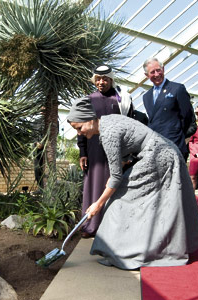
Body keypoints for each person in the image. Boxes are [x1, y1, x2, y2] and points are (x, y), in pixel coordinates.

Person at [67, 97, 198, 269]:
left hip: (157, 155)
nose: (79, 133)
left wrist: (97, 204)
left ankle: (127, 251)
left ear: (89, 119)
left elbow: (116, 177)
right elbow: (122, 163)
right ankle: (142, 247)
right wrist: (113, 180)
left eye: (79, 128)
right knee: (138, 198)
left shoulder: (108, 134)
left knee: (121, 198)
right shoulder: (108, 120)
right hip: (166, 151)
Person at [77, 65, 134, 238]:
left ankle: (113, 227)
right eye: (98, 79)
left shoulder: (121, 99)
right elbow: (81, 127)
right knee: (94, 185)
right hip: (94, 150)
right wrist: (82, 152)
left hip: (116, 150)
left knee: (114, 184)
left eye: (105, 79)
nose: (101, 82)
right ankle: (90, 225)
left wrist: (128, 153)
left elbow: (130, 125)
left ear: (111, 79)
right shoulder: (88, 99)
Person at [142, 57, 195, 158]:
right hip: (156, 148)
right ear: (146, 75)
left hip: (175, 145)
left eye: (158, 70)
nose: (157, 74)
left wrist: (178, 135)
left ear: (163, 69)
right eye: (152, 72)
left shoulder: (177, 89)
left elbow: (188, 118)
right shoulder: (146, 97)